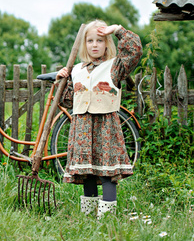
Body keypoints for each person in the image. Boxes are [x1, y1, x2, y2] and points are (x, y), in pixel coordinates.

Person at [56, 19, 142, 218]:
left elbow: (134, 51)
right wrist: (62, 81)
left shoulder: (114, 67)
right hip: (82, 128)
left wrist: (118, 30)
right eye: (90, 41)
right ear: (84, 44)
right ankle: (88, 217)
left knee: (106, 173)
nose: (95, 45)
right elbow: (69, 101)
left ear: (107, 44)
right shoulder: (76, 70)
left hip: (105, 127)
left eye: (100, 41)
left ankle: (106, 219)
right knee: (88, 174)